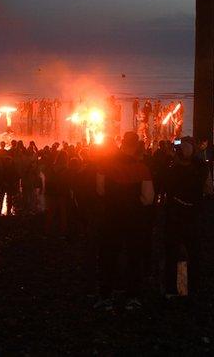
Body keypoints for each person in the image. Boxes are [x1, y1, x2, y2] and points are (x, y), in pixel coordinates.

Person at [95, 132, 154, 311]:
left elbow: (100, 191)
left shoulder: (105, 165)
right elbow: (148, 198)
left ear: (121, 143)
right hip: (134, 218)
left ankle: (106, 295)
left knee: (109, 256)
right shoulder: (142, 168)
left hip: (111, 217)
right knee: (134, 256)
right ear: (136, 146)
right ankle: (133, 297)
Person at [162, 139, 209, 296]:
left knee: (172, 253)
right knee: (194, 252)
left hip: (174, 215)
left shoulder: (171, 171)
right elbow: (208, 189)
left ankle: (172, 288)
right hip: (193, 214)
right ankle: (192, 287)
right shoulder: (201, 169)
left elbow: (165, 189)